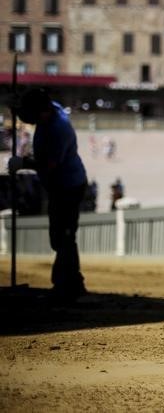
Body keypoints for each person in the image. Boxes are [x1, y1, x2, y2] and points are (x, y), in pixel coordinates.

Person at [8, 88, 88, 302]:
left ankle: (67, 285)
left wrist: (23, 163)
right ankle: (71, 283)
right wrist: (16, 105)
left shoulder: (58, 129)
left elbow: (50, 165)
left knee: (64, 236)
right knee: (59, 237)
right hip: (60, 185)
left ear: (41, 112)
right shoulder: (52, 109)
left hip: (68, 186)